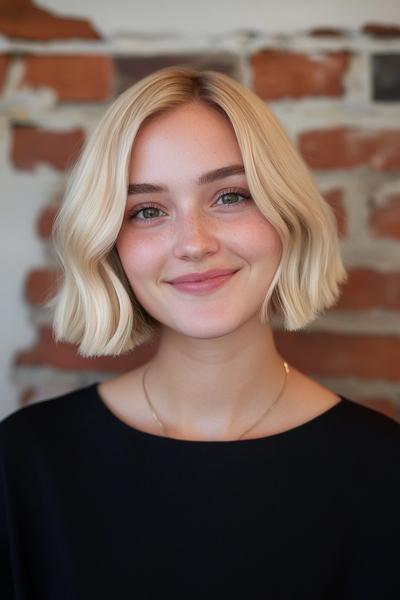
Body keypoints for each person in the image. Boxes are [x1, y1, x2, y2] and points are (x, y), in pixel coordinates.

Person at [0, 65, 399, 599]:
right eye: (146, 210)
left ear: (286, 213)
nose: (193, 242)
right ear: (109, 243)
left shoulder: (386, 472)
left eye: (229, 196)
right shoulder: (24, 463)